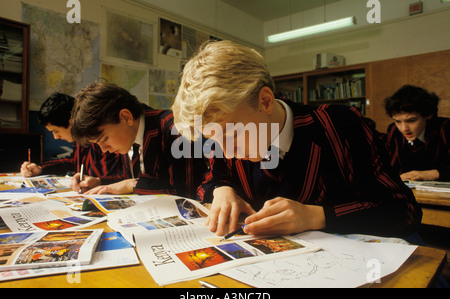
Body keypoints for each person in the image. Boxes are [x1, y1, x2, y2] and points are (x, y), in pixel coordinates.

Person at [171, 40, 422, 239]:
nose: (226, 152)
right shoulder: (225, 138)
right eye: (213, 140)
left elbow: (404, 212)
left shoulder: (338, 125)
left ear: (265, 101)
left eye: (233, 135)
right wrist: (221, 191)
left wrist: (315, 216)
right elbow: (211, 179)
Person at [70, 81, 205, 198]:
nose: (104, 149)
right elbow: (129, 180)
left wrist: (132, 184)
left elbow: (187, 191)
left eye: (104, 139)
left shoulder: (174, 128)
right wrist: (100, 182)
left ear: (126, 117)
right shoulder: (129, 135)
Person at [19, 93, 128, 192]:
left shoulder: (104, 139)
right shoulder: (79, 141)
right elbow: (74, 161)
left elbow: (125, 177)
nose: (56, 137)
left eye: (55, 131)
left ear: (71, 122)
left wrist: (99, 181)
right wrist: (41, 168)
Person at [385, 85, 450, 181]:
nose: (404, 129)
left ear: (428, 114)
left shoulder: (445, 128)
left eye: (411, 120)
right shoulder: (393, 130)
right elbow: (389, 166)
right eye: (398, 121)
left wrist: (433, 174)